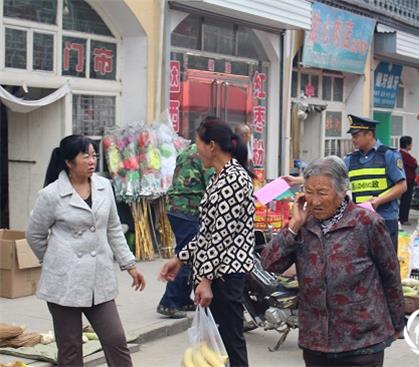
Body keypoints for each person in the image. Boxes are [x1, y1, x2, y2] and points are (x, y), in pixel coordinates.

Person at [262, 156, 404, 367]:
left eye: (322, 193)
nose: (315, 201)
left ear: (341, 191)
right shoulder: (303, 225)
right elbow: (269, 263)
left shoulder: (367, 223)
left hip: (361, 341)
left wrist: (397, 324)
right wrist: (293, 226)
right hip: (316, 341)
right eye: (309, 192)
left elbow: (390, 275)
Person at [26, 135, 146, 367]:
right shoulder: (51, 195)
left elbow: (113, 228)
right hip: (64, 283)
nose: (92, 161)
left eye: (94, 155)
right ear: (69, 163)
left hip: (98, 280)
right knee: (70, 349)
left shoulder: (104, 186)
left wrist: (129, 265)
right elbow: (34, 234)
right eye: (86, 156)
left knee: (116, 339)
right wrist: (53, 261)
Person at [159, 119, 255, 367]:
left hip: (225, 276)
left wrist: (206, 280)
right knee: (216, 348)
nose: (195, 148)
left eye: (198, 143)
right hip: (215, 274)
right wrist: (180, 259)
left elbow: (221, 237)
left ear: (211, 146)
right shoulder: (218, 177)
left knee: (230, 345)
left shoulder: (234, 179)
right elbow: (207, 232)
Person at [284, 115, 407, 250]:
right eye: (352, 136)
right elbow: (328, 174)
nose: (353, 140)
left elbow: (402, 186)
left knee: (386, 260)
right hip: (361, 218)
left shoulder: (388, 155)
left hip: (385, 218)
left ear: (369, 134)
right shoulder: (350, 159)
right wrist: (297, 180)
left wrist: (379, 200)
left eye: (356, 136)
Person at [157, 141, 214, 318]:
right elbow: (212, 184)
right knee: (187, 255)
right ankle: (168, 301)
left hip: (177, 209)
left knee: (189, 254)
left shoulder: (187, 151)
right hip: (188, 210)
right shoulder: (204, 155)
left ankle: (181, 299)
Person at [399, 136, 418, 225]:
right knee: (406, 200)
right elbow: (414, 164)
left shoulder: (399, 154)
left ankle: (401, 217)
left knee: (403, 199)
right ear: (407, 145)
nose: (411, 145)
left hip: (402, 179)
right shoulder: (405, 155)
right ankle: (403, 218)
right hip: (408, 180)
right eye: (411, 143)